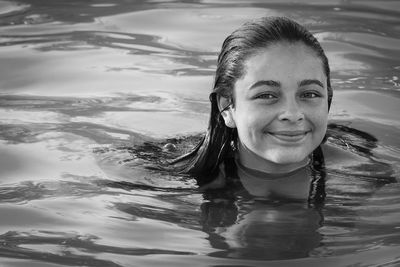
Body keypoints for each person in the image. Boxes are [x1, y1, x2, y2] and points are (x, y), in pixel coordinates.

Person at [170, 16, 333, 203]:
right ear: (227, 108)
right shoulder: (177, 188)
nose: (293, 114)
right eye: (266, 95)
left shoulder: (364, 175)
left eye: (310, 94)